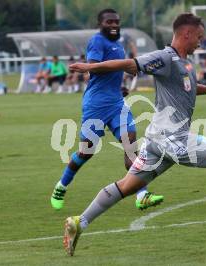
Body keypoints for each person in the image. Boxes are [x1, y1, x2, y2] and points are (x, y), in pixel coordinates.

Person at [64, 12, 206, 256]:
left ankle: (79, 222)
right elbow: (130, 64)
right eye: (199, 37)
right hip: (171, 138)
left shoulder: (185, 63)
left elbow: (187, 88)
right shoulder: (165, 58)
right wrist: (90, 66)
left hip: (156, 141)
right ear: (187, 34)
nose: (200, 42)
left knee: (127, 186)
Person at [50, 8, 163, 211]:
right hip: (96, 105)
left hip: (117, 103)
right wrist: (114, 69)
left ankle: (142, 194)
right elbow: (93, 67)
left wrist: (117, 86)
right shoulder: (97, 41)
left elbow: (107, 72)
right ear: (100, 24)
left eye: (116, 22)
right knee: (87, 151)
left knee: (130, 146)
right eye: (109, 22)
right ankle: (61, 186)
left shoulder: (118, 45)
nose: (113, 25)